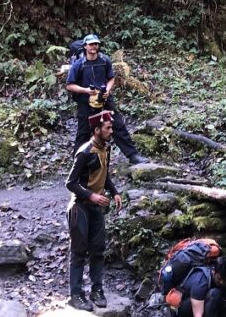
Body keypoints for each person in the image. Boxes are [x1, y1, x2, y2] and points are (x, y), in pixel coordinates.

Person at [66, 110, 124, 311]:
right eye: (108, 128)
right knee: (79, 252)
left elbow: (103, 173)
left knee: (98, 250)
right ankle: (76, 294)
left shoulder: (105, 149)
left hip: (97, 208)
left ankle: (96, 290)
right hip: (80, 207)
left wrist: (114, 192)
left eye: (111, 127)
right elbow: (70, 183)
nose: (111, 131)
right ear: (97, 129)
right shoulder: (84, 152)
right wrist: (91, 195)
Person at [65, 33, 146, 164]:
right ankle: (78, 162)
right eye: (91, 44)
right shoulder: (78, 64)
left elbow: (111, 78)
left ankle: (133, 156)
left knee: (117, 125)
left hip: (104, 100)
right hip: (86, 102)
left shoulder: (104, 60)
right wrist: (85, 90)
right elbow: (70, 85)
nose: (94, 47)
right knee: (84, 132)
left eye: (96, 44)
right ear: (85, 46)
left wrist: (107, 90)